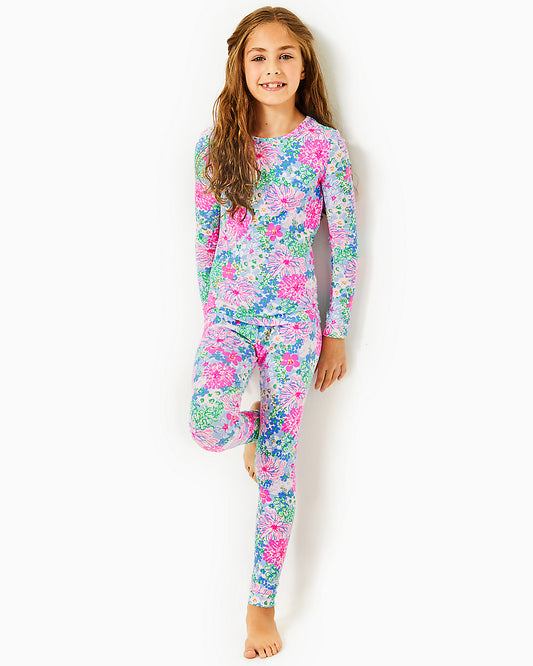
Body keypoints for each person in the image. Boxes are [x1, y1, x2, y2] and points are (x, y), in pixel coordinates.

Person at [188, 6, 358, 660]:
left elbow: (344, 247)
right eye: (258, 56)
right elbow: (205, 245)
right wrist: (212, 320)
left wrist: (335, 332)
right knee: (206, 425)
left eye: (285, 55)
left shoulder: (323, 147)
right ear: (240, 66)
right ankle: (256, 426)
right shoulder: (214, 148)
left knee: (280, 474)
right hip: (228, 321)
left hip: (293, 328)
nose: (272, 68)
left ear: (304, 65)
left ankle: (259, 608)